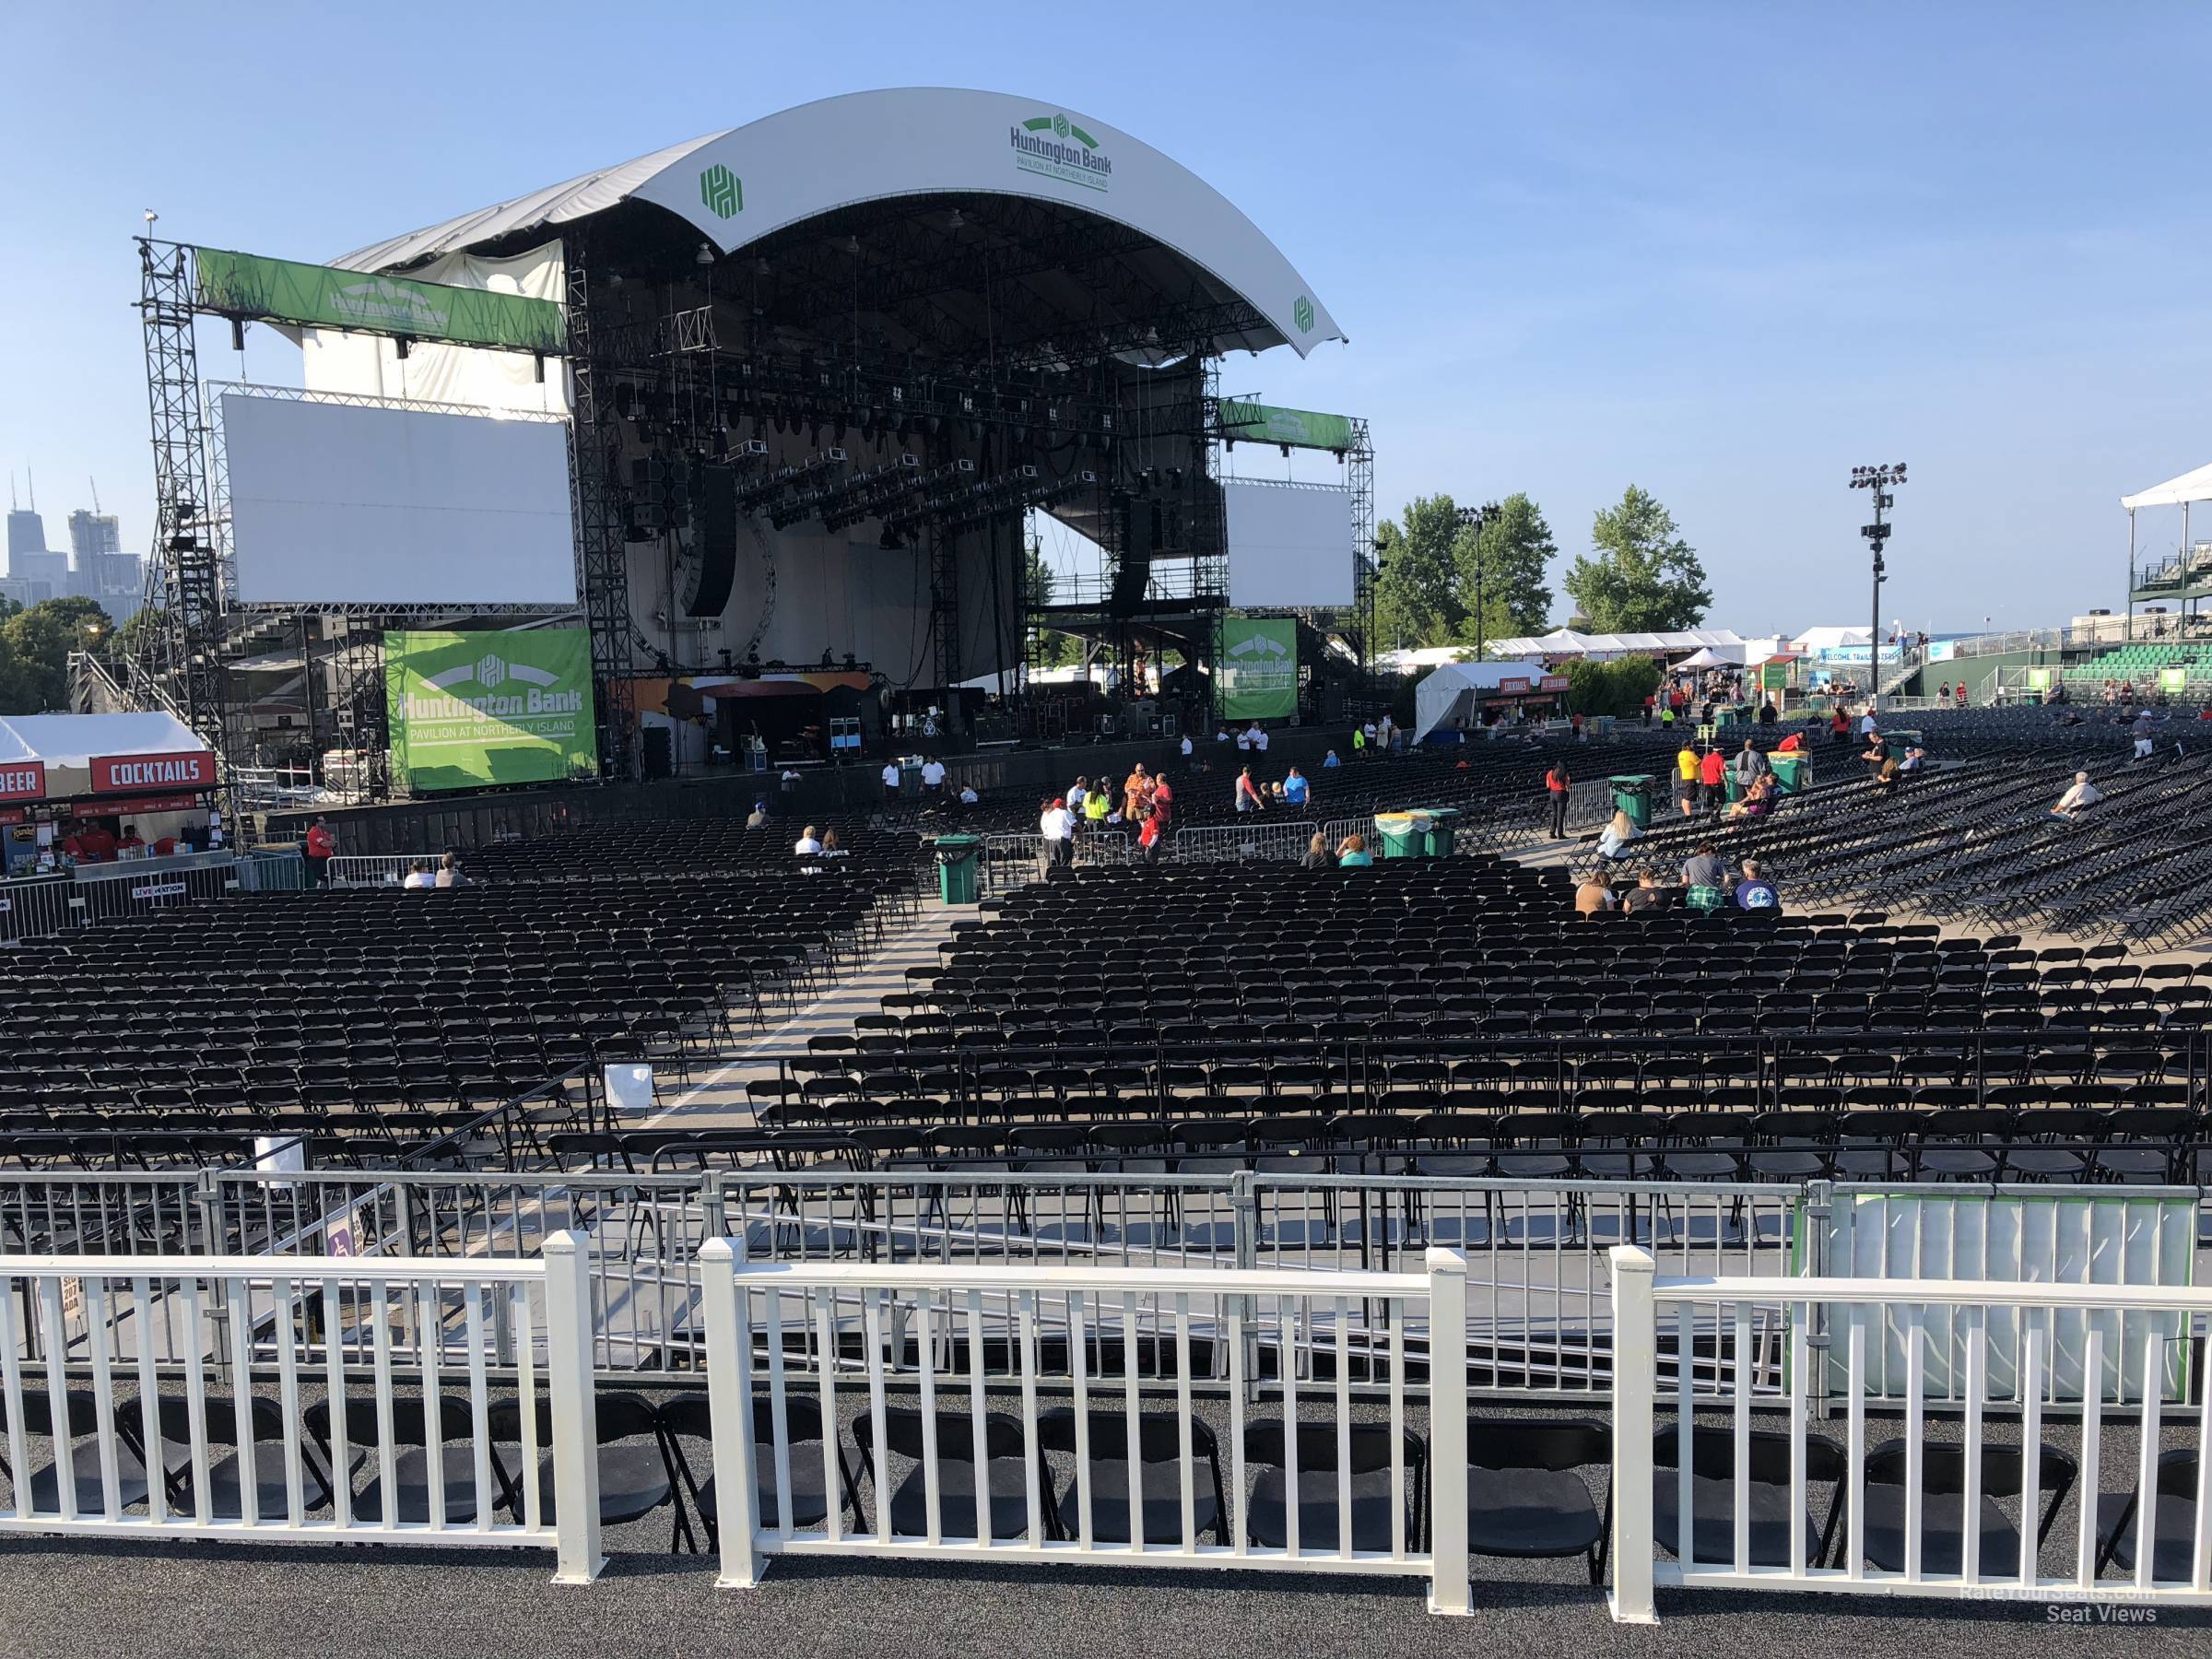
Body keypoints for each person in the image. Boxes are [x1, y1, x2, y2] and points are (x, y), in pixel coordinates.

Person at [1039, 796, 1075, 867]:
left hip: (1053, 839)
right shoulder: (1048, 815)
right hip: (1050, 839)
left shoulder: (1052, 814)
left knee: (1055, 861)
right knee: (1053, 862)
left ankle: (1058, 875)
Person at [303, 815, 335, 887]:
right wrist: (330, 842)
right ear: (317, 823)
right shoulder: (314, 832)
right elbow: (324, 844)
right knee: (322, 878)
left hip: (326, 859)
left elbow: (333, 843)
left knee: (330, 878)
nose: (324, 822)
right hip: (318, 860)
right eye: (322, 821)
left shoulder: (324, 832)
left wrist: (330, 842)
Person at [1545, 759, 1572, 839]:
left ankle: (1552, 832)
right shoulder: (1564, 774)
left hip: (1552, 794)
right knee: (1560, 815)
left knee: (1554, 813)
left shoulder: (1550, 773)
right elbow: (1568, 786)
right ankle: (1560, 834)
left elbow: (1547, 785)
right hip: (1561, 793)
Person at [1698, 744, 1726, 814]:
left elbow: (1702, 768)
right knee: (1722, 799)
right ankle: (1717, 814)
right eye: (1721, 751)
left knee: (1710, 800)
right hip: (1716, 782)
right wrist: (1726, 781)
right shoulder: (1720, 759)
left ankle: (1712, 815)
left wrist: (1703, 778)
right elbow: (1722, 772)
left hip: (1707, 782)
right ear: (1719, 751)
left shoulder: (1706, 758)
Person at [1675, 741, 1700, 819]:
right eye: (1691, 745)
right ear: (1687, 746)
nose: (1692, 746)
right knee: (1688, 798)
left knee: (1685, 797)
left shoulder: (1681, 754)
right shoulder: (1690, 754)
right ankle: (1689, 816)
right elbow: (1699, 762)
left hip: (1685, 777)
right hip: (1691, 778)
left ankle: (1686, 814)